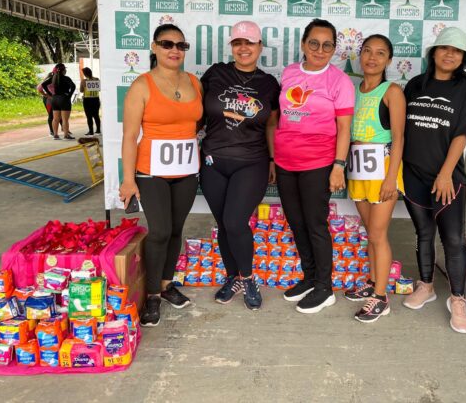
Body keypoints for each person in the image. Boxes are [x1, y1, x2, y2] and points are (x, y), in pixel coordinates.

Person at [119, 24, 203, 327]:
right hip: (151, 171)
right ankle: (151, 294)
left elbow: (198, 123)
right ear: (154, 47)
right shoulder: (142, 86)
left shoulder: (194, 81)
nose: (174, 50)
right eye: (167, 44)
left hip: (186, 171)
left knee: (177, 229)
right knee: (159, 232)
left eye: (181, 45)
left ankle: (167, 284)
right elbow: (129, 136)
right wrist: (128, 179)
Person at [400, 26, 466, 334]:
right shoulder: (415, 84)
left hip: (447, 177)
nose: (450, 54)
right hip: (412, 174)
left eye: (457, 51)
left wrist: (446, 173)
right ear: (433, 53)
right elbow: (401, 127)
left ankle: (458, 299)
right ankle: (427, 285)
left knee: (454, 239)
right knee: (423, 233)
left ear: (462, 58)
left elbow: (462, 133)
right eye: (445, 48)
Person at [275, 18, 355, 314]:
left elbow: (344, 128)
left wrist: (338, 165)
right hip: (286, 161)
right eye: (314, 43)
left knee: (315, 224)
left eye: (327, 45)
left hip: (319, 162)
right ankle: (309, 277)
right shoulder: (289, 73)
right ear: (302, 45)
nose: (320, 50)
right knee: (296, 222)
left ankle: (324, 286)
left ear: (334, 48)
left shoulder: (339, 81)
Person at [199, 21, 280, 310]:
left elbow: (271, 124)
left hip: (252, 162)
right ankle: (232, 277)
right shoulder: (216, 73)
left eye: (250, 43)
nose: (243, 48)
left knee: (235, 221)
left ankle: (248, 278)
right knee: (223, 225)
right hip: (212, 161)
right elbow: (194, 110)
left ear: (260, 47)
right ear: (232, 46)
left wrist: (272, 158)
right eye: (237, 43)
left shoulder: (269, 84)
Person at [343, 34, 405, 323]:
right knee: (370, 230)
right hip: (358, 168)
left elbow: (399, 137)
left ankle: (380, 297)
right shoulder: (353, 90)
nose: (372, 57)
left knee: (378, 234)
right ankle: (372, 280)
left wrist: (391, 178)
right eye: (367, 51)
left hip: (384, 169)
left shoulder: (392, 91)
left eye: (380, 53)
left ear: (389, 60)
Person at [41, 63, 76, 140]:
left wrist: (50, 94)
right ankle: (66, 135)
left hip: (55, 98)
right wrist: (69, 95)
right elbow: (73, 86)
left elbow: (43, 84)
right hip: (64, 98)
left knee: (55, 118)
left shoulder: (53, 78)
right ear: (63, 70)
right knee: (65, 119)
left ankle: (55, 135)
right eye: (65, 69)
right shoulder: (66, 78)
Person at [80, 67, 101, 136]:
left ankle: (91, 131)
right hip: (96, 99)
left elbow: (81, 90)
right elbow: (99, 89)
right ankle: (98, 130)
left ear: (85, 74)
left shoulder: (84, 81)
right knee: (96, 115)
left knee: (89, 116)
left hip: (87, 100)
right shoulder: (97, 79)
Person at [37, 71, 54, 137]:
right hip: (48, 100)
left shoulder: (53, 80)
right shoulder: (47, 81)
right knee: (51, 114)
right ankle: (51, 131)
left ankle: (64, 129)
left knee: (57, 114)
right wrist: (46, 95)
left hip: (52, 98)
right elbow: (39, 88)